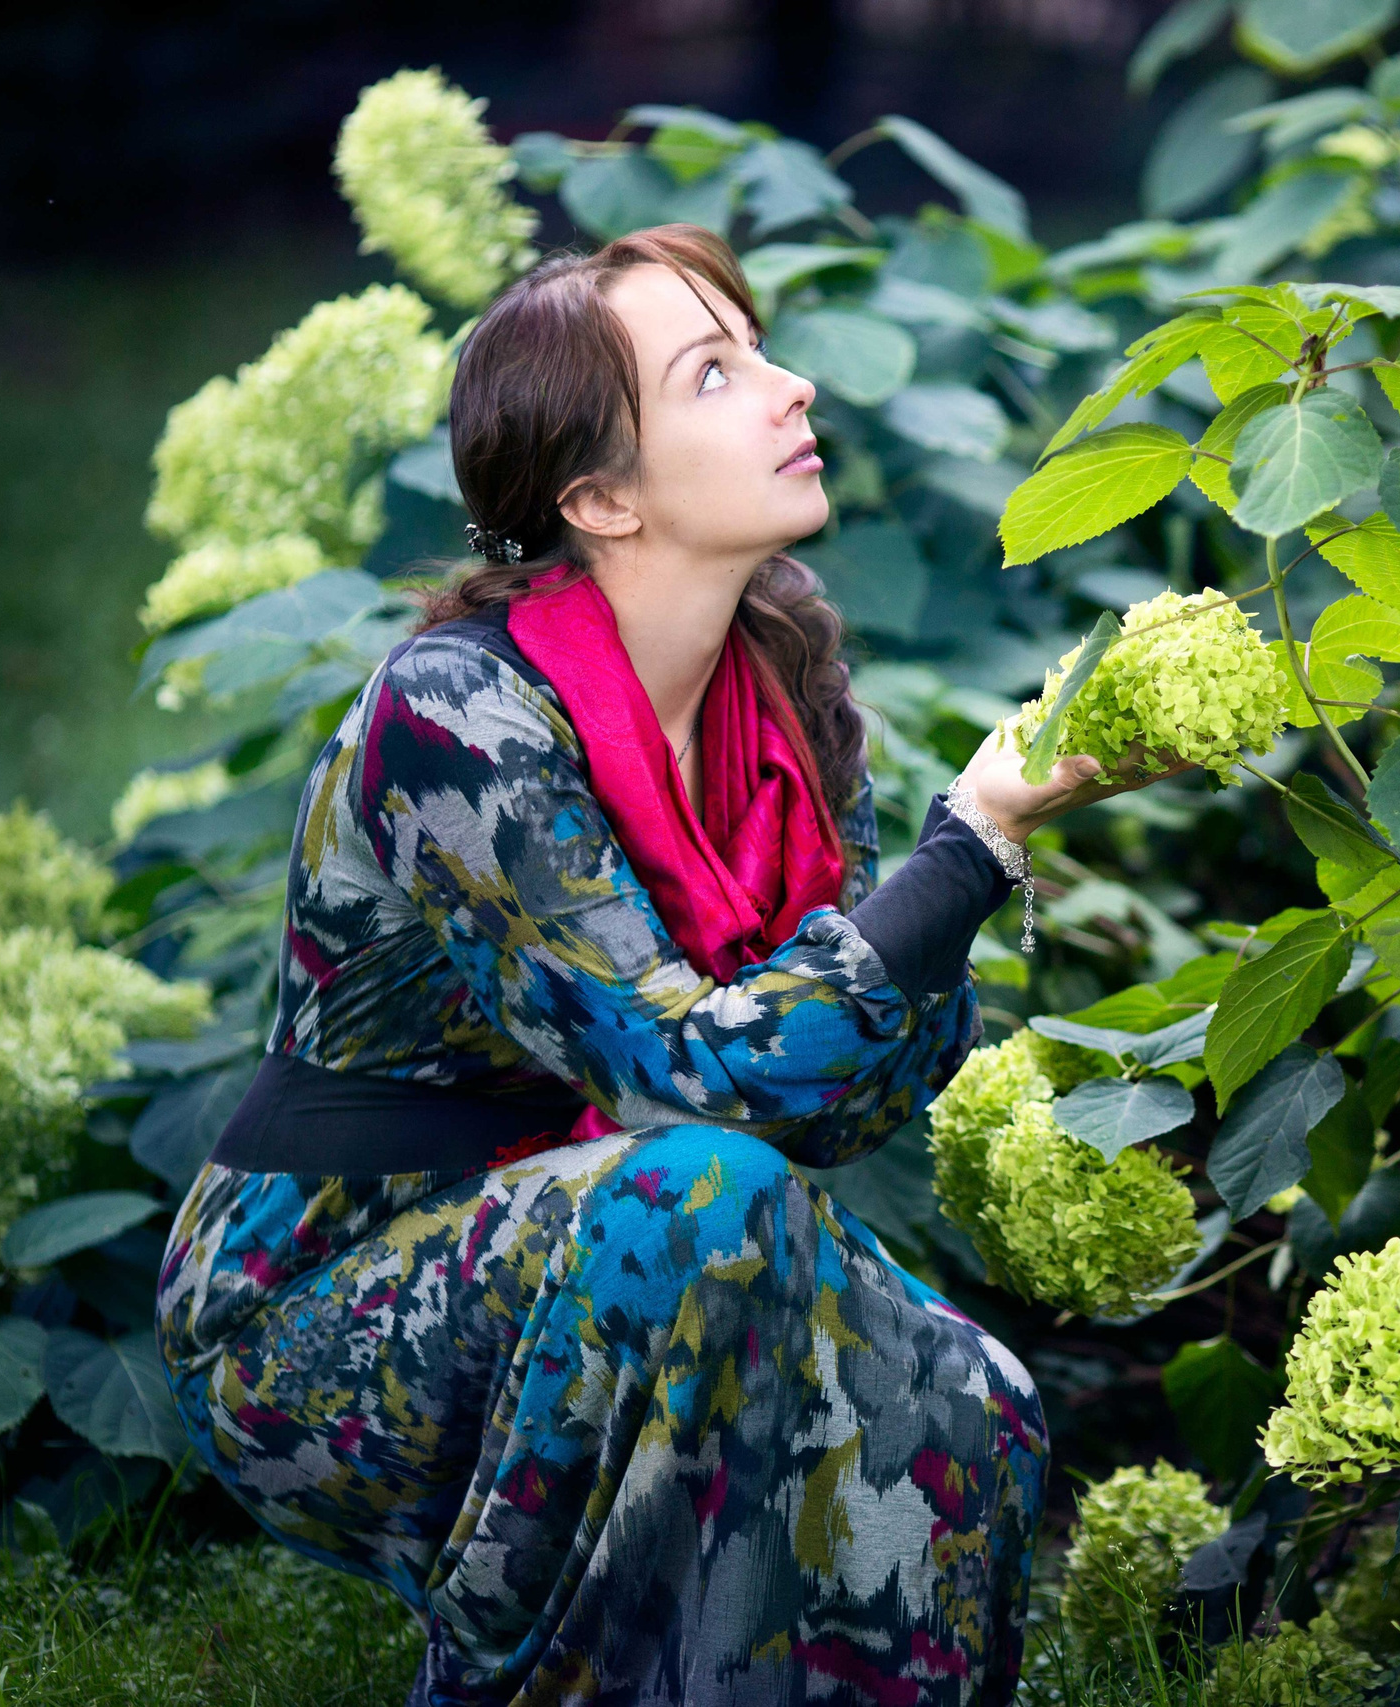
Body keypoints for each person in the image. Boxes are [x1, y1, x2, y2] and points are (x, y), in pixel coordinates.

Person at [154, 223, 1153, 1707]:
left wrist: (956, 878)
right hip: (317, 1309)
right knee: (704, 1193)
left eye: (759, 348)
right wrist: (969, 850)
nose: (792, 387)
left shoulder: (784, 674)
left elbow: (832, 1104)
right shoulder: (458, 714)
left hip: (623, 1237)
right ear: (601, 497)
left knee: (969, 1398)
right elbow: (695, 1083)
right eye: (716, 373)